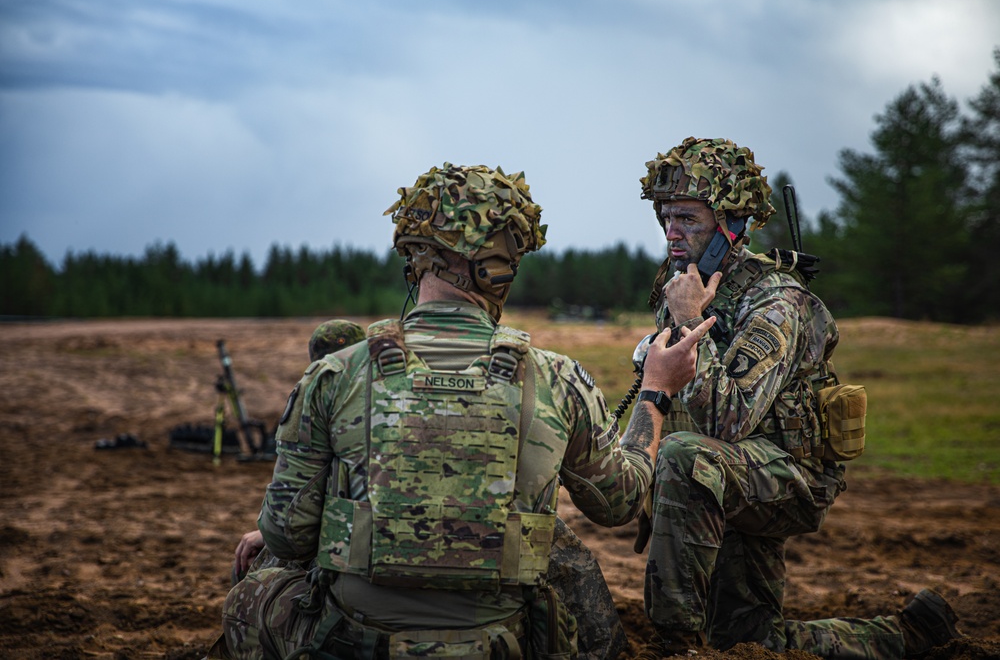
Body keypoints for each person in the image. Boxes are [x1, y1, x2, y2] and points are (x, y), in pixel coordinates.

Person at [215, 162, 716, 660]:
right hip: (505, 643)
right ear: (499, 269)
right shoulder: (557, 379)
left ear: (415, 258)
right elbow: (621, 501)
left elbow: (285, 533)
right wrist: (655, 389)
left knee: (251, 594)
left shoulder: (335, 374)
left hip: (353, 642)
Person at [633, 137, 964, 659]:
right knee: (747, 639)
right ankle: (907, 638)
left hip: (787, 478)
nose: (672, 232)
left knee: (683, 457)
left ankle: (673, 646)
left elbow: (728, 420)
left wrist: (690, 321)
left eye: (688, 219)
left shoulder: (777, 301)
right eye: (665, 217)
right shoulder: (689, 287)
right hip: (727, 477)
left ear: (730, 224)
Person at [229, 319, 367, 585]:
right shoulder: (388, 399)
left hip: (346, 554)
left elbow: (291, 524)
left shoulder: (316, 397)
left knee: (247, 575)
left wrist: (265, 535)